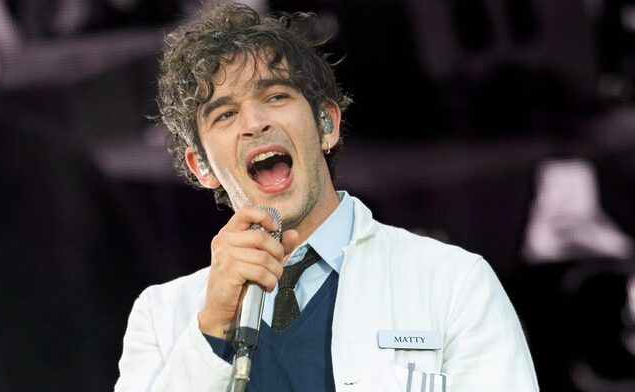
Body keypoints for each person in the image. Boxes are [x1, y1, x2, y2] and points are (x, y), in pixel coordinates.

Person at [115, 3, 539, 391]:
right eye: (225, 114)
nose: (255, 123)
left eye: (275, 96)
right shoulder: (160, 317)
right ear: (201, 167)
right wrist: (211, 327)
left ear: (326, 125)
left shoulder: (453, 282)